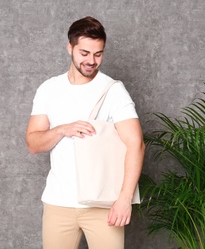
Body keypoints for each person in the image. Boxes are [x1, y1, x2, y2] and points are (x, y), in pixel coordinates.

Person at [26, 16, 145, 249]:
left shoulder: (113, 90)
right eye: (84, 53)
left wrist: (124, 199)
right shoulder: (48, 89)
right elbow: (33, 143)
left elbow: (136, 144)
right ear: (69, 47)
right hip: (58, 202)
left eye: (98, 54)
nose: (92, 61)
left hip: (103, 204)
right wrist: (62, 129)